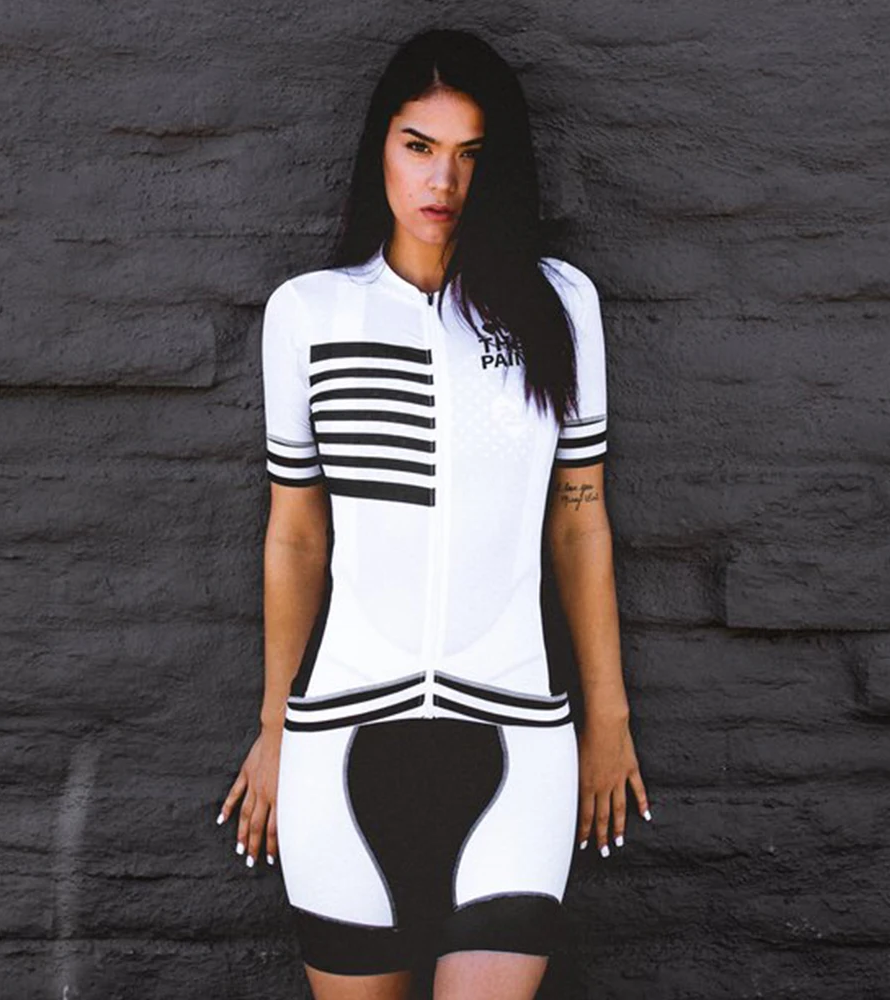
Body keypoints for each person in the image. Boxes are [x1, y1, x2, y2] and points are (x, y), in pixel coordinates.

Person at [217, 28, 652, 1000]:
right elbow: (296, 535)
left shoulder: (557, 303)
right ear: (380, 146)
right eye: (418, 145)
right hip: (338, 745)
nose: (441, 178)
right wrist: (275, 727)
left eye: (469, 153)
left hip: (519, 741)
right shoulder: (310, 313)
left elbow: (578, 520)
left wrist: (608, 718)